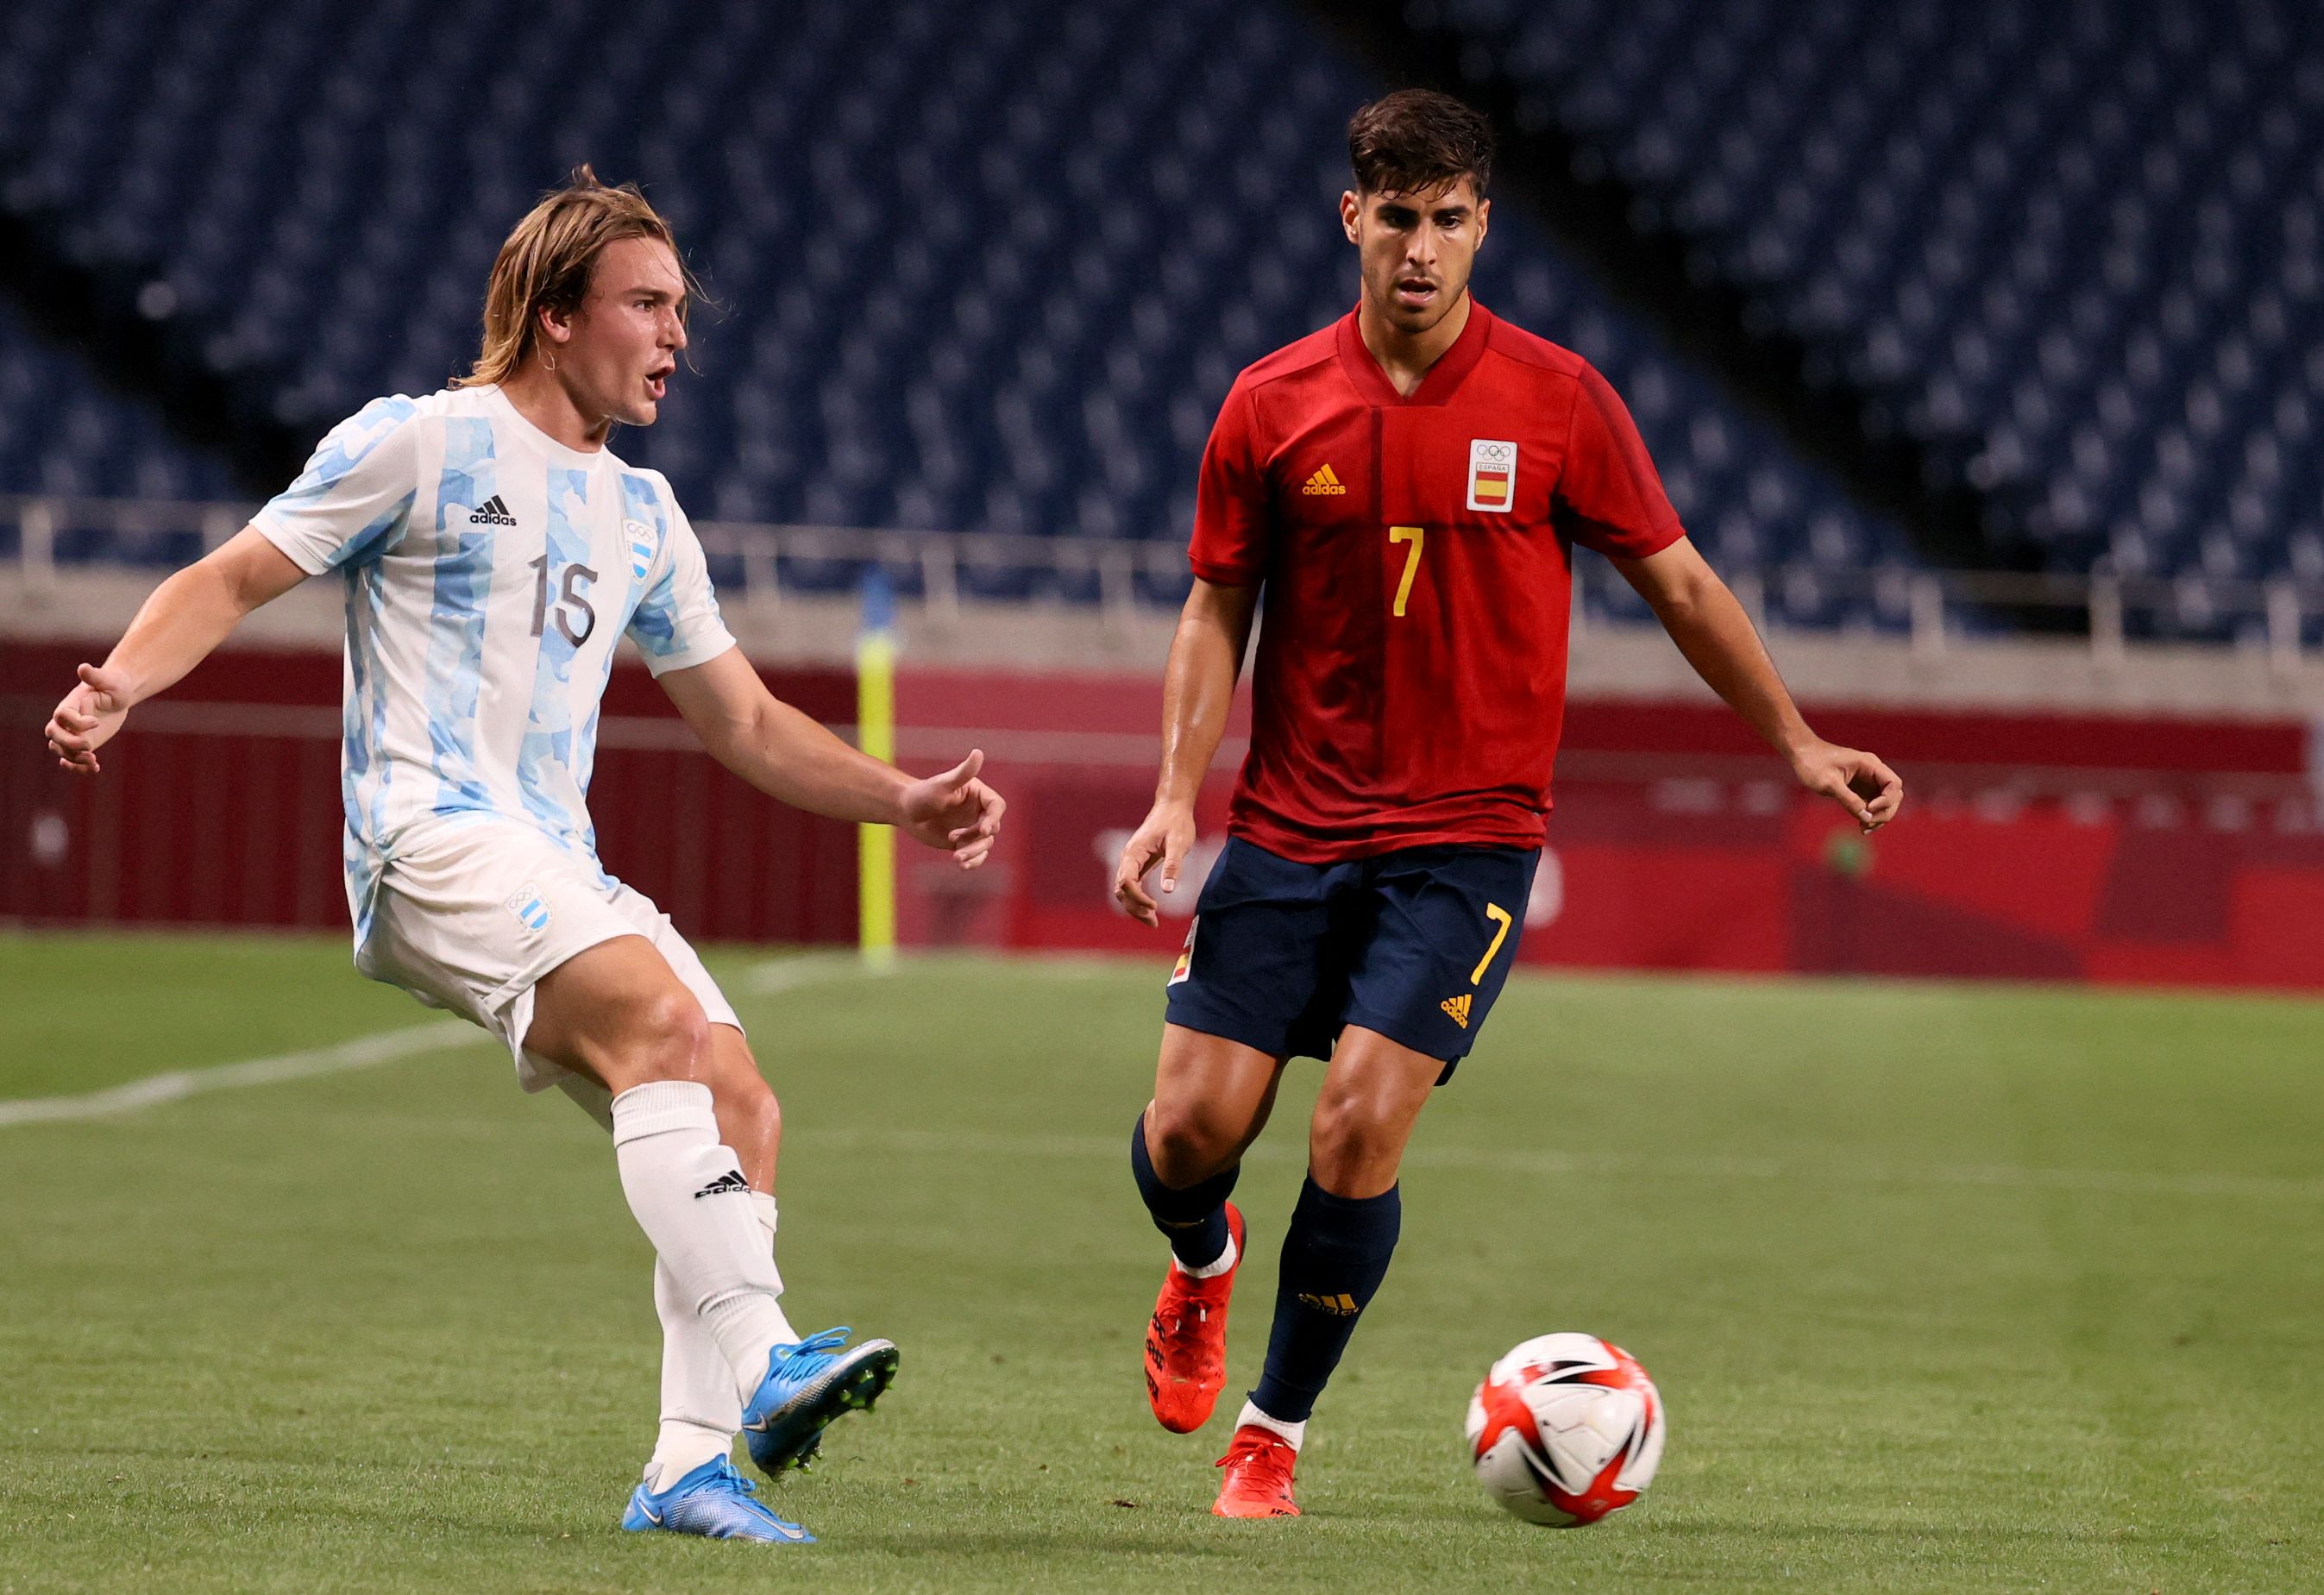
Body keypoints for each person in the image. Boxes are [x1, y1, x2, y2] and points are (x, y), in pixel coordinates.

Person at [43, 168, 1005, 1546]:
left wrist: (902, 799)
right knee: (666, 1027)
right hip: (426, 833)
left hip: (552, 852)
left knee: (739, 1102)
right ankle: (766, 1357)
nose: (677, 335)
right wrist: (122, 682)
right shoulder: (418, 443)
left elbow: (740, 717)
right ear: (556, 315)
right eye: (647, 305)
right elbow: (235, 575)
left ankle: (685, 1468)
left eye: (683, 310)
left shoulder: (645, 512)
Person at [1111, 91, 1903, 1518]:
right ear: (1352, 216)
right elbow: (1216, 605)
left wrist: (1790, 738)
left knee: (1355, 1121)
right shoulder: (1270, 401)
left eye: (1449, 220)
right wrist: (1175, 797)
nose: (1421, 248)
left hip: (1465, 839)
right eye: (1397, 217)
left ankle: (1269, 1437)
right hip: (1291, 824)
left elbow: (1677, 580)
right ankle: (1201, 1265)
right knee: (1185, 1137)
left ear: (1484, 227)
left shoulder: (1558, 400)